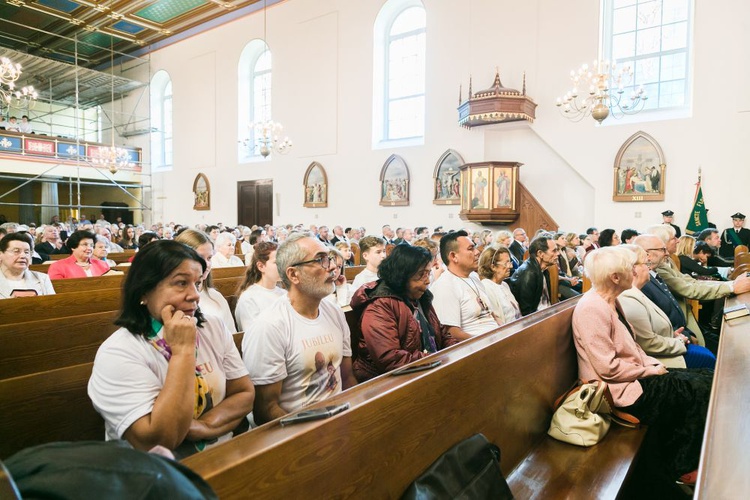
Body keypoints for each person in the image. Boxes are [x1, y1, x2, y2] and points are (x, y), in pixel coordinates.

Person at [87, 240, 254, 458]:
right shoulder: (119, 352)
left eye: (198, 283)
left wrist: (205, 427)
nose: (194, 295)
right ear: (143, 292)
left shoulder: (212, 326)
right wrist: (183, 352)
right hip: (159, 476)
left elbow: (244, 394)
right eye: (181, 283)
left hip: (224, 454)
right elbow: (158, 442)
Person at [572, 246, 713, 486]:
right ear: (615, 277)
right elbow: (608, 368)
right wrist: (650, 369)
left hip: (634, 377)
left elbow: (634, 347)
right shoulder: (592, 309)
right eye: (630, 268)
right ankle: (681, 465)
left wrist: (653, 364)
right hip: (617, 391)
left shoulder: (609, 301)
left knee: (707, 376)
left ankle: (694, 452)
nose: (635, 272)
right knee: (697, 390)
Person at [242, 232, 357, 425]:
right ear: (293, 274)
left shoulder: (334, 312)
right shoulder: (270, 326)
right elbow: (266, 410)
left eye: (329, 259)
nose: (332, 268)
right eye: (320, 260)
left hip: (338, 420)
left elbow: (347, 378)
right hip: (296, 432)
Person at [349, 245, 458, 381]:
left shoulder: (420, 297)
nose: (428, 280)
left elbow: (440, 334)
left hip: (423, 368)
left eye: (428, 273)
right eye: (421, 274)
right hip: (385, 381)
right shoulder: (380, 305)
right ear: (402, 274)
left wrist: (456, 352)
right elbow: (390, 359)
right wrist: (439, 358)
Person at [619, 245, 715, 369]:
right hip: (656, 360)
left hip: (670, 342)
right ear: (633, 269)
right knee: (707, 360)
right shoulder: (629, 297)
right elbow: (647, 344)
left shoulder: (637, 291)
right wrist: (678, 341)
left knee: (708, 355)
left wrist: (673, 335)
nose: (649, 268)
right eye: (646, 264)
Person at [430, 230, 500, 339]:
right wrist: (488, 345)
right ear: (453, 256)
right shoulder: (444, 286)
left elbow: (491, 314)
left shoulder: (474, 277)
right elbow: (452, 334)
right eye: (470, 249)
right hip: (477, 349)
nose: (477, 252)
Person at [174, 229, 236, 333]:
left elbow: (232, 335)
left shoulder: (216, 297)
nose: (206, 264)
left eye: (209, 258)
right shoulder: (173, 299)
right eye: (200, 258)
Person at [235, 242, 286, 332]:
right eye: (277, 262)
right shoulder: (249, 299)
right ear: (261, 266)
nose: (283, 266)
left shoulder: (284, 294)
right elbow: (254, 335)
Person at [509, 234, 559, 316]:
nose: (558, 253)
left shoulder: (544, 269)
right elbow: (526, 311)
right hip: (537, 320)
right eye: (554, 251)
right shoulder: (528, 273)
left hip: (546, 313)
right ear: (540, 253)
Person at [0, 232, 55, 298]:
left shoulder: (42, 279)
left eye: (26, 252)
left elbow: (52, 305)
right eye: (16, 251)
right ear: (1, 254)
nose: (23, 256)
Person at [477, 246, 521, 325]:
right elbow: (496, 320)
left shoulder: (504, 284)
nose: (510, 266)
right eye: (506, 263)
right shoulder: (486, 287)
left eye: (510, 262)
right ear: (493, 267)